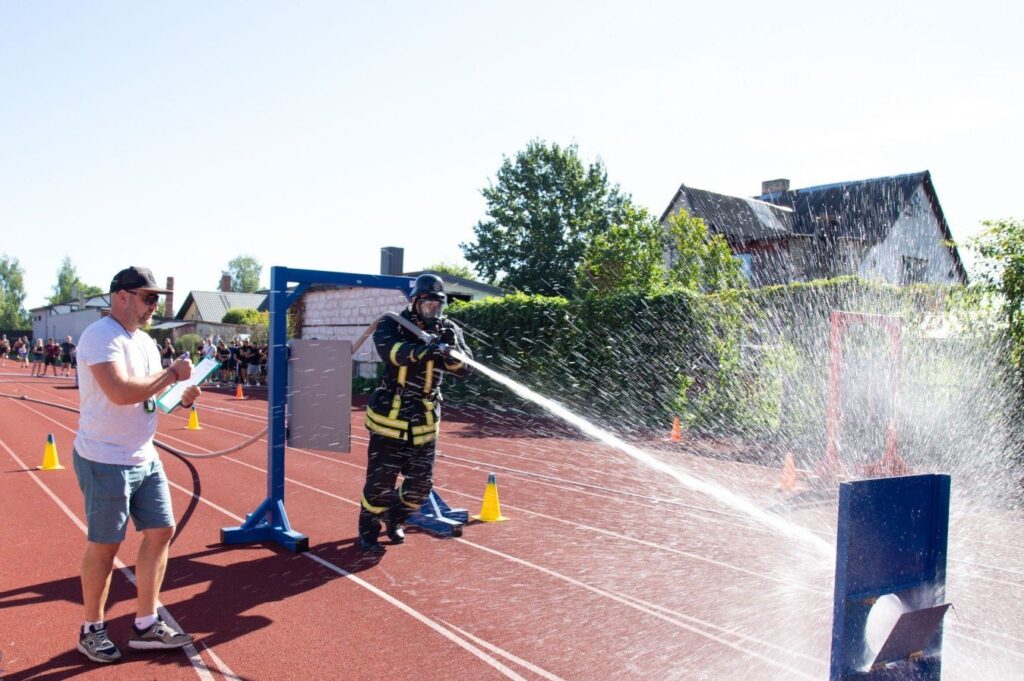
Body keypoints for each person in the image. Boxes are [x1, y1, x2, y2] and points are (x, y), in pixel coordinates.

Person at [73, 266, 202, 664]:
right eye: (148, 298)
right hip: (105, 457)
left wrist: (180, 396)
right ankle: (91, 629)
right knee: (105, 545)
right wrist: (171, 374)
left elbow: (150, 397)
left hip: (144, 455)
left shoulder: (145, 341)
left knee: (162, 531)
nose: (154, 306)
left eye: (156, 300)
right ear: (122, 296)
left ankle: (146, 623)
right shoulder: (100, 336)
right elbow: (119, 392)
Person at [358, 274, 473, 552]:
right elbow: (392, 353)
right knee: (380, 483)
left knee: (420, 486)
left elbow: (466, 369)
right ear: (415, 302)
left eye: (438, 306)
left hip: (424, 419)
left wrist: (453, 352)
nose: (434, 311)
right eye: (428, 305)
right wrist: (425, 351)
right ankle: (368, 530)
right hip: (390, 418)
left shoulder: (448, 329)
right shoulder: (392, 323)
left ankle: (395, 518)